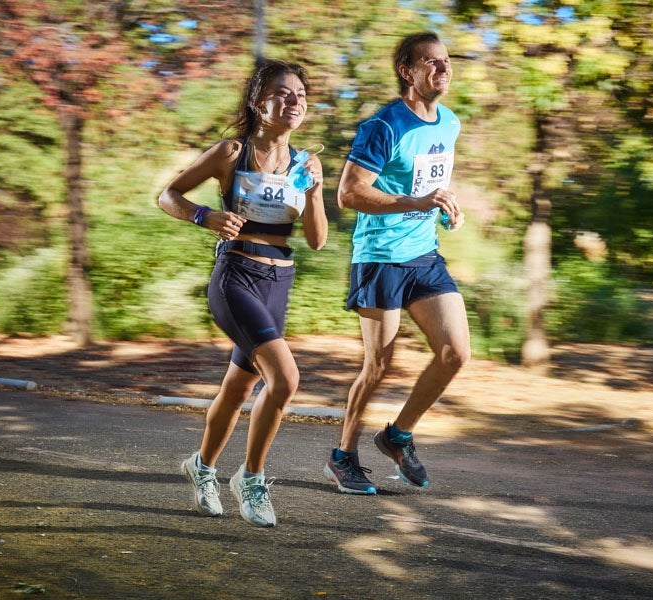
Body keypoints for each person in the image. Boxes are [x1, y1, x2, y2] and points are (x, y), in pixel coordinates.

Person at [159, 59, 327, 526]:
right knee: (285, 380)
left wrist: (316, 191)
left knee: (238, 387)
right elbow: (169, 195)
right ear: (258, 102)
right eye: (282, 93)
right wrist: (204, 216)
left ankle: (201, 467)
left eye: (300, 95)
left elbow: (316, 240)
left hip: (279, 281)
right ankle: (251, 479)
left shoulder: (305, 163)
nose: (294, 101)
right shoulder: (232, 152)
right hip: (235, 277)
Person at [323, 32, 470, 495]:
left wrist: (444, 209)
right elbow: (349, 194)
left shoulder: (449, 123)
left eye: (446, 61)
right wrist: (417, 201)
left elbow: (429, 186)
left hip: (424, 254)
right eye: (431, 62)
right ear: (407, 72)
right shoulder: (384, 126)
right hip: (380, 257)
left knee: (455, 353)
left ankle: (398, 436)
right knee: (378, 365)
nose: (443, 68)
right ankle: (343, 457)